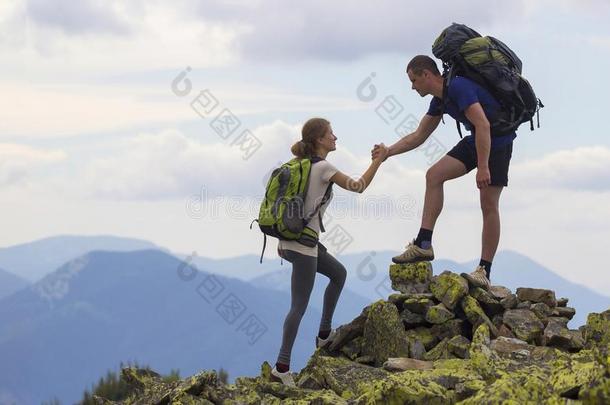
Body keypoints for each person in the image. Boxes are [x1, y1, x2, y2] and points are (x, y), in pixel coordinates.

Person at [373, 55, 517, 290]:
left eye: (413, 80)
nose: (412, 87)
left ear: (426, 75)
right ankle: (424, 243)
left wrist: (483, 167)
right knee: (434, 175)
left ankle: (484, 270)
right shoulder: (440, 99)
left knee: (488, 204)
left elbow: (483, 124)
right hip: (476, 140)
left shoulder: (459, 87)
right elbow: (418, 136)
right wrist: (388, 151)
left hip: (498, 143)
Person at [271, 117, 388, 386]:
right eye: (331, 133)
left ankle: (324, 334)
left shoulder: (297, 166)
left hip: (290, 242)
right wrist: (378, 161)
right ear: (320, 140)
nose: (335, 137)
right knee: (298, 306)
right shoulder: (323, 167)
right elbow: (358, 186)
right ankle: (282, 366)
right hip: (302, 247)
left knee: (338, 273)